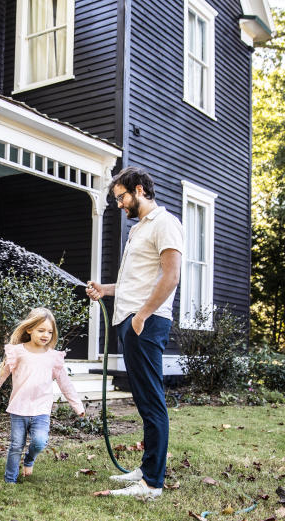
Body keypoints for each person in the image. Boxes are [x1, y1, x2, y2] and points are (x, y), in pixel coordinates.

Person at [86, 167, 184, 499]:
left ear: (138, 190)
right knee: (144, 400)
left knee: (152, 401)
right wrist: (106, 289)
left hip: (147, 322)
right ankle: (147, 469)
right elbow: (134, 283)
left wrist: (142, 316)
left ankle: (152, 484)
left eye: (121, 197)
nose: (118, 205)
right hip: (132, 319)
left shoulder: (165, 223)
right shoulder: (139, 229)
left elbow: (170, 278)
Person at [0, 307, 85, 483]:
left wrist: (77, 406)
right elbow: (2, 374)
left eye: (50, 332)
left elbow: (65, 384)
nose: (46, 335)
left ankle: (29, 460)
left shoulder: (53, 357)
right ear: (29, 329)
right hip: (19, 408)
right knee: (15, 446)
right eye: (41, 330)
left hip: (41, 409)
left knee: (39, 442)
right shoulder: (18, 352)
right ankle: (10, 480)